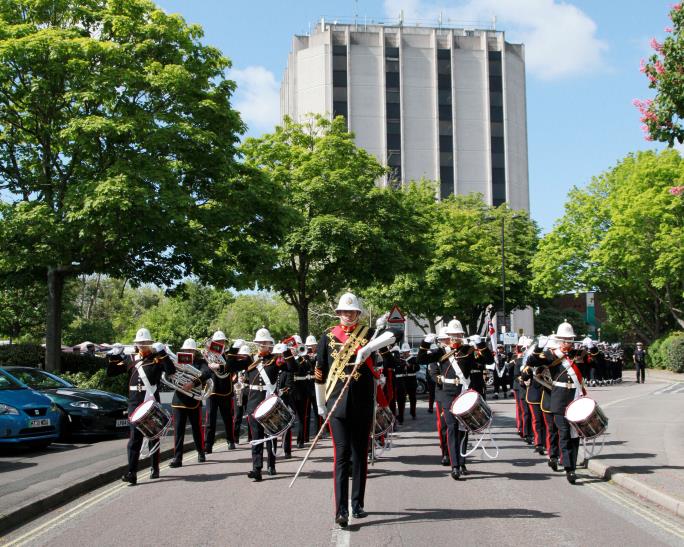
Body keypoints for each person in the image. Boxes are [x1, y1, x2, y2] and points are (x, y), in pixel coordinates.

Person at [314, 293, 398, 528]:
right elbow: (319, 371)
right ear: (338, 314)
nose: (347, 315)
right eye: (343, 312)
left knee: (360, 454)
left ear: (358, 314)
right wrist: (321, 404)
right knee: (341, 456)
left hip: (362, 404)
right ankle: (340, 510)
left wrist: (369, 347)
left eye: (351, 312)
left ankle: (357, 504)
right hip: (336, 404)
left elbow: (395, 336)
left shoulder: (369, 334)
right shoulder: (328, 336)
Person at [418, 320, 492, 481]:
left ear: (462, 336)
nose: (455, 338)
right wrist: (424, 343)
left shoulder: (468, 350)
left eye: (458, 335)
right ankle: (455, 465)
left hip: (464, 392)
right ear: (448, 336)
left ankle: (462, 461)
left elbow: (489, 360)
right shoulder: (441, 351)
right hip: (448, 393)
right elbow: (421, 360)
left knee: (463, 429)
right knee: (451, 428)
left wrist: (481, 345)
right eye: (452, 335)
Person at [107, 328, 176, 485]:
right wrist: (114, 356)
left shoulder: (156, 359)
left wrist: (163, 353)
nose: (143, 347)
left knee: (153, 435)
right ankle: (132, 473)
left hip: (150, 400)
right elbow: (111, 372)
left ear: (150, 344)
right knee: (134, 439)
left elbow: (170, 371)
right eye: (140, 344)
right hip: (134, 402)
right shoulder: (131, 359)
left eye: (145, 344)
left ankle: (154, 468)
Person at [531, 322, 589, 485]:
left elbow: (595, 364)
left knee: (575, 434)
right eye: (564, 340)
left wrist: (592, 350)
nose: (567, 343)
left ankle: (572, 465)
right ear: (558, 340)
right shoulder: (551, 355)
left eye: (570, 340)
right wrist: (538, 349)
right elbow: (531, 362)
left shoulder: (577, 353)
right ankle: (569, 469)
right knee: (563, 433)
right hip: (559, 398)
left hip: (575, 396)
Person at [169, 338, 212, 468]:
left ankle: (200, 452)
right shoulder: (178, 361)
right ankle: (177, 458)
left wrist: (192, 383)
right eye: (186, 350)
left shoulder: (200, 362)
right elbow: (169, 372)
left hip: (194, 399)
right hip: (179, 400)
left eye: (190, 350)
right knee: (179, 431)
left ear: (194, 351)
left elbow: (207, 373)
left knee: (197, 429)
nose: (188, 352)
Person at [205, 331, 238, 453]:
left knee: (227, 418)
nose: (220, 343)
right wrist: (209, 365)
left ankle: (231, 440)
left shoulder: (228, 355)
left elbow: (231, 367)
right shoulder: (208, 354)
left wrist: (218, 365)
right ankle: (208, 445)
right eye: (217, 342)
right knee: (210, 419)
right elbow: (204, 370)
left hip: (225, 389)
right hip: (212, 390)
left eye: (222, 341)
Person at [293, 335, 316, 447]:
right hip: (291, 390)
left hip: (302, 390)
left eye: (296, 346)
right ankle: (287, 444)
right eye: (293, 346)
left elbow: (309, 368)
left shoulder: (304, 359)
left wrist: (301, 357)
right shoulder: (288, 359)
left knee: (302, 416)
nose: (295, 348)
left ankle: (301, 439)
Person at [396, 342, 418, 422]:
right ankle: (401, 417)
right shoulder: (399, 360)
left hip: (411, 381)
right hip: (402, 382)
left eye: (406, 351)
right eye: (404, 352)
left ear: (409, 351)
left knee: (413, 399)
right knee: (401, 400)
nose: (405, 353)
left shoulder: (413, 359)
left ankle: (413, 413)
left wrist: (410, 366)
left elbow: (417, 368)